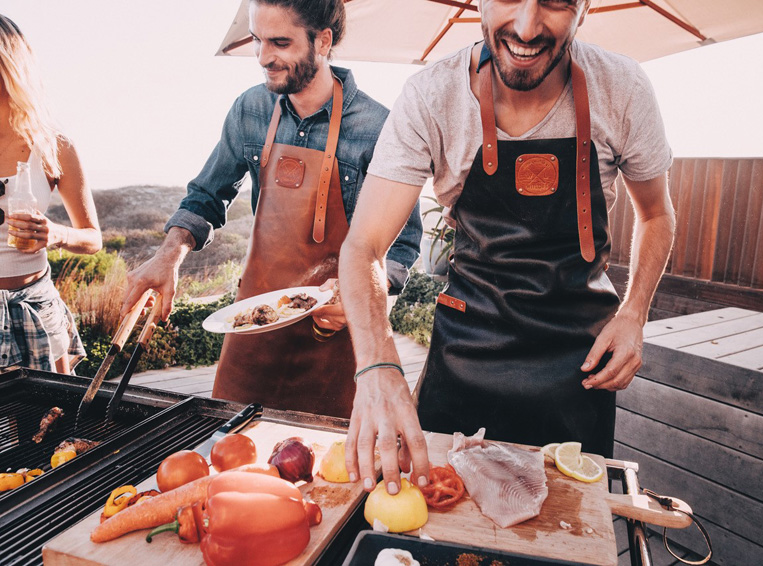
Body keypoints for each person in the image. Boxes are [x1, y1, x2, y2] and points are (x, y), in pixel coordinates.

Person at [340, 0, 676, 494]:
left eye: (556, 2)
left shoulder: (622, 88)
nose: (525, 26)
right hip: (464, 362)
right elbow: (363, 246)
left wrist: (634, 314)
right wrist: (377, 361)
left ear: (583, 7)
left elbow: (657, 215)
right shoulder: (432, 96)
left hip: (577, 369)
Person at [121, 0, 421, 417]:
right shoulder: (250, 110)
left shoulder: (377, 128)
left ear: (324, 40)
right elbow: (207, 196)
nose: (264, 58)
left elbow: (403, 242)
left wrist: (365, 295)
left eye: (280, 42)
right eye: (258, 41)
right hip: (253, 330)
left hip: (332, 336)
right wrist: (169, 253)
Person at [0, 14, 102, 374]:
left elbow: (92, 239)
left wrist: (55, 234)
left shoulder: (53, 145)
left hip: (36, 312)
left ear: (10, 66)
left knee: (47, 424)